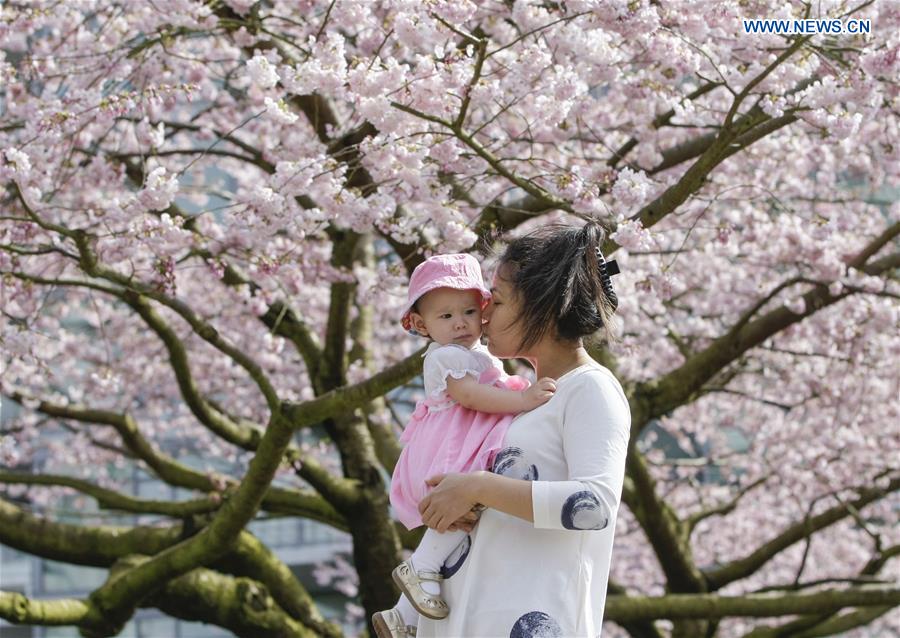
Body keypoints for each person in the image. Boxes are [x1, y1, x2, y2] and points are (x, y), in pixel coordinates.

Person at [413, 221, 631, 638]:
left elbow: (595, 505)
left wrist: (477, 487)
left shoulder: (591, 388)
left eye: (495, 300)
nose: (483, 315)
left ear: (543, 309)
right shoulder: (524, 400)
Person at [373, 253, 558, 638]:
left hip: (468, 438)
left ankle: (402, 616)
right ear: (422, 325)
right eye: (445, 317)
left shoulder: (475, 352)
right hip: (451, 444)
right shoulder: (445, 358)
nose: (459, 323)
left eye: (469, 312)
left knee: (466, 514)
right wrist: (522, 400)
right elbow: (471, 396)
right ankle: (421, 567)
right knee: (463, 508)